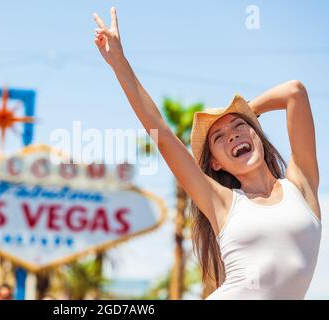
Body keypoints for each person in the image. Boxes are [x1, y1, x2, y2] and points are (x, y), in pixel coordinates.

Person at [92, 7, 321, 299]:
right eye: (220, 137)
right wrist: (119, 62)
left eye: (240, 127)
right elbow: (161, 133)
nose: (233, 135)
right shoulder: (222, 202)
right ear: (215, 162)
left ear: (257, 135)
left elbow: (295, 92)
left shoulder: (300, 187)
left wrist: (247, 112)